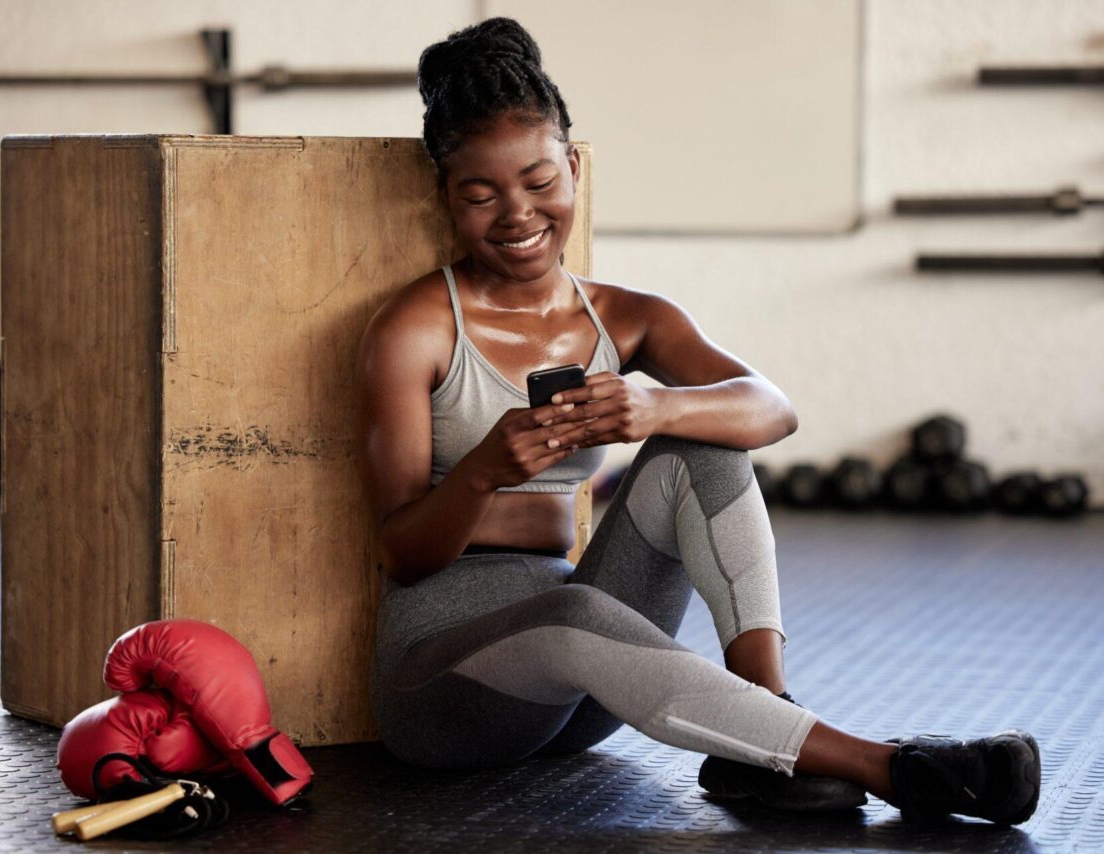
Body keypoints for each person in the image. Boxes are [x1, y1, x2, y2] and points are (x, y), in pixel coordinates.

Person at [354, 16, 1041, 825]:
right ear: (447, 198)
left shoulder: (626, 316)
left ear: (573, 167)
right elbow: (402, 553)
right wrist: (481, 471)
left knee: (704, 446)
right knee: (573, 611)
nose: (517, 214)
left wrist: (655, 405)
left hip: (578, 696)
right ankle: (896, 768)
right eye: (480, 194)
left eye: (539, 183)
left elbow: (770, 409)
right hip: (446, 689)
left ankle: (766, 723)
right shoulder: (413, 329)